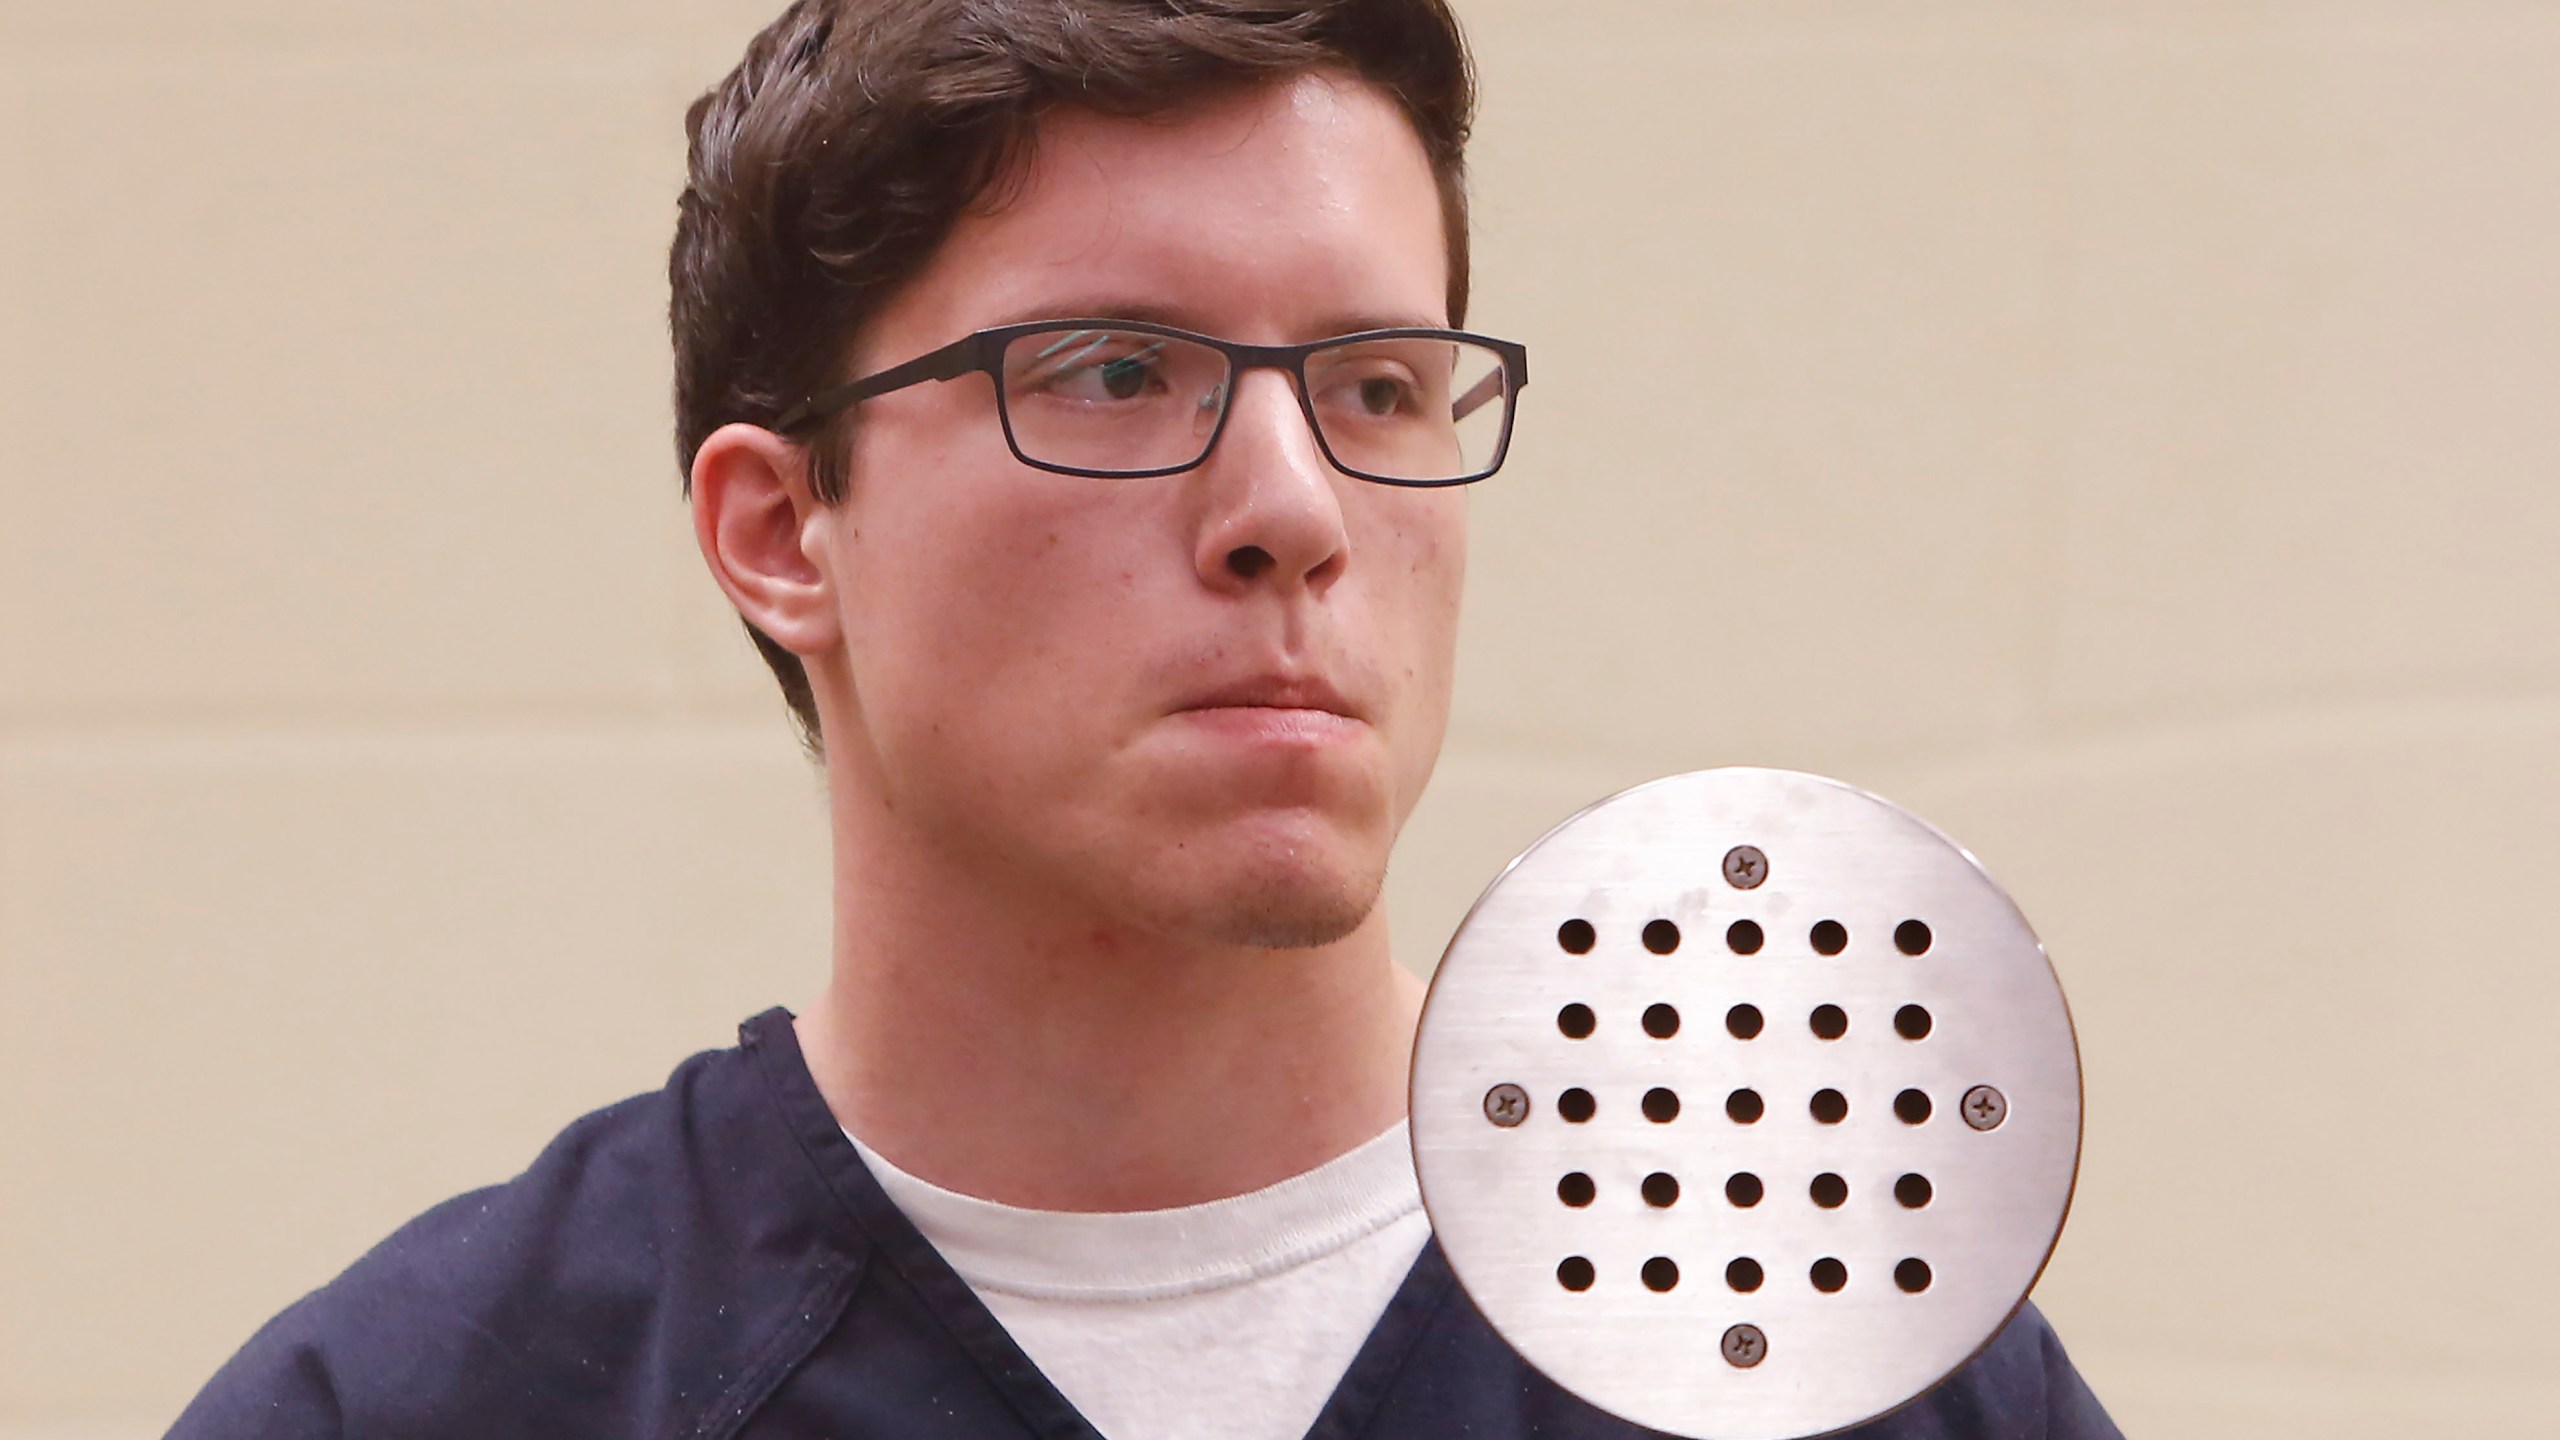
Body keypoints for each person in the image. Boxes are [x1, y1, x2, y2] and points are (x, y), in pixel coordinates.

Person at [170, 2, 2119, 1436]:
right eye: (1113, 373)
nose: (1288, 508)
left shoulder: (1846, 1368)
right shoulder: (431, 1406)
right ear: (783, 532)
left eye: (1373, 386)